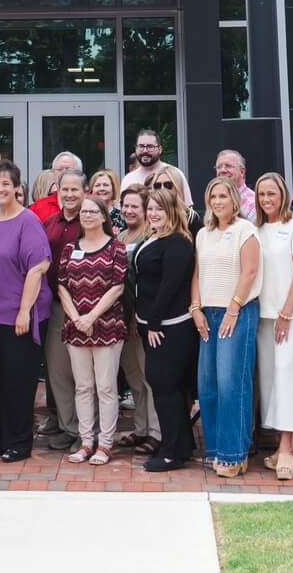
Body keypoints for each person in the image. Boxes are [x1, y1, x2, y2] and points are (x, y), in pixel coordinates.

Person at [0, 161, 52, 463]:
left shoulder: (28, 220)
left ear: (17, 187)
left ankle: (19, 441)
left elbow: (37, 268)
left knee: (18, 380)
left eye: (7, 184)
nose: (1, 189)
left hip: (18, 316)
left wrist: (23, 312)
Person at [249, 172, 293, 480]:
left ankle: (287, 450)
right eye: (262, 194)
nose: (266, 199)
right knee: (270, 381)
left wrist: (286, 313)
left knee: (288, 377)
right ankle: (288, 443)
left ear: (284, 195)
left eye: (272, 194)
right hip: (263, 314)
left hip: (291, 314)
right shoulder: (256, 228)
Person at [52, 192, 126, 467]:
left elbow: (118, 286)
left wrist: (92, 316)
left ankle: (105, 444)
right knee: (83, 387)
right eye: (83, 212)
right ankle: (86, 441)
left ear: (103, 216)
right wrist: (77, 318)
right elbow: (61, 285)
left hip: (107, 325)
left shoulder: (115, 247)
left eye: (93, 212)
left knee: (106, 387)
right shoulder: (71, 248)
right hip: (76, 327)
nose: (87, 216)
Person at [193, 175, 260, 478]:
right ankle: (216, 449)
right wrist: (196, 309)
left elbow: (250, 272)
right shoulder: (204, 234)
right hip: (208, 313)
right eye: (213, 196)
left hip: (238, 311)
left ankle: (234, 453)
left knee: (233, 386)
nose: (218, 201)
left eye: (223, 196)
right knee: (208, 386)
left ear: (235, 199)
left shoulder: (245, 230)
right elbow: (197, 274)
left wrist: (234, 308)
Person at [134, 186, 199, 472]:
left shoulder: (178, 242)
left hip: (169, 327)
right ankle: (180, 443)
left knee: (166, 386)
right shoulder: (154, 237)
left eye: (159, 208)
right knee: (166, 387)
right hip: (153, 326)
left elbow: (170, 287)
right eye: (150, 208)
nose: (153, 213)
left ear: (172, 210)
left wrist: (154, 322)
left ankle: (173, 452)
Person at [39, 169, 87, 449]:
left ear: (85, 191)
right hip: (56, 306)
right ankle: (69, 427)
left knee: (84, 375)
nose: (69, 195)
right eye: (64, 190)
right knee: (58, 371)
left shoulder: (93, 221)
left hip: (86, 309)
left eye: (74, 190)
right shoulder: (48, 223)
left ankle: (86, 431)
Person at [115, 185, 161, 456]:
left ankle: (156, 432)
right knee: (133, 377)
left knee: (148, 377)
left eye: (135, 206)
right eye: (126, 205)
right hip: (120, 319)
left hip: (141, 320)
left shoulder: (150, 237)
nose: (129, 210)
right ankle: (141, 428)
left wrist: (136, 318)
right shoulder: (119, 235)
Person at [215, 150, 258, 221]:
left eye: (228, 166)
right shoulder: (215, 202)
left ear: (242, 172)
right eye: (219, 167)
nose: (222, 170)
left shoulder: (253, 204)